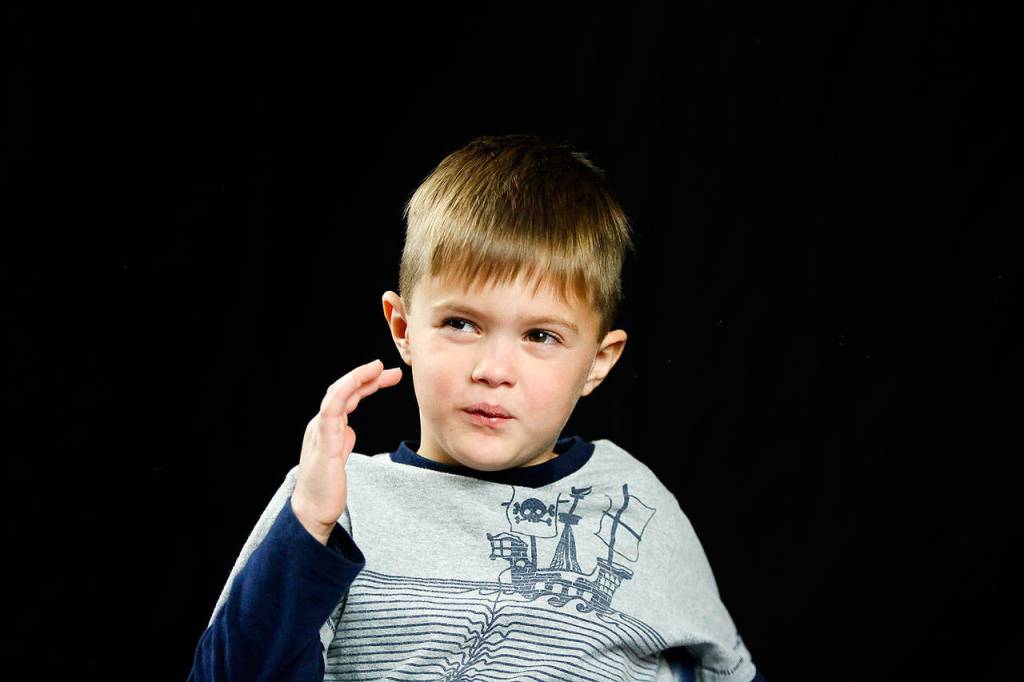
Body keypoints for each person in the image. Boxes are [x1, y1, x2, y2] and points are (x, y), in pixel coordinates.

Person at [188, 134, 766, 682]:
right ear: (404, 328)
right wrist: (309, 523)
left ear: (599, 361)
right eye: (461, 324)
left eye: (541, 336)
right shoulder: (336, 501)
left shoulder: (636, 501)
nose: (493, 369)